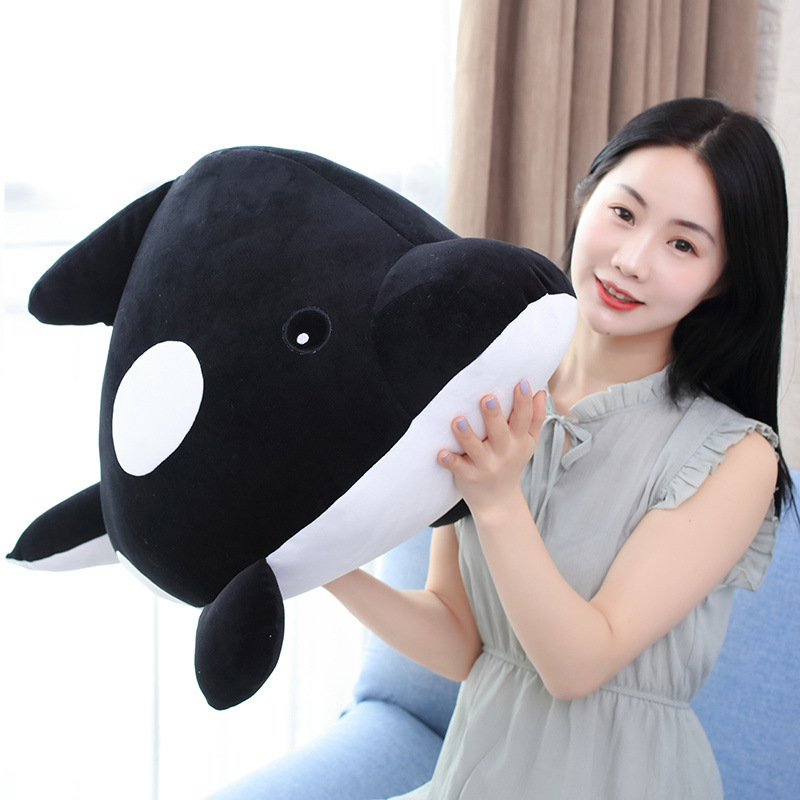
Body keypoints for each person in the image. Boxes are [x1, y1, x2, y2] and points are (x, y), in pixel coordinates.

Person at [324, 97, 793, 799]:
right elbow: (461, 643)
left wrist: (497, 500)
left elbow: (577, 666)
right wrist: (318, 563)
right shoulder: (484, 388)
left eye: (683, 245)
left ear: (722, 278)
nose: (631, 261)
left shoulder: (735, 455)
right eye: (624, 213)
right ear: (586, 194)